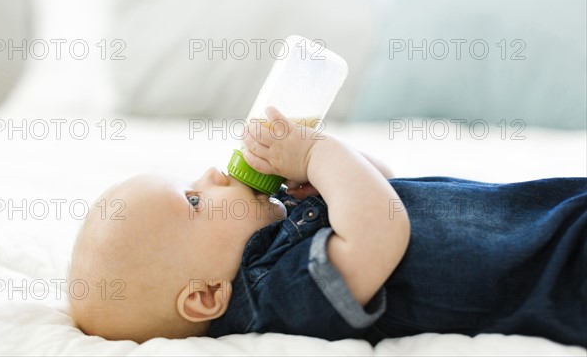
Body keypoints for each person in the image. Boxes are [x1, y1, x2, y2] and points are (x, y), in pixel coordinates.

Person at [68, 107, 586, 347]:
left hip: (544, 218)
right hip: (554, 271)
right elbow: (382, 234)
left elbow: (385, 188)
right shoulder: (274, 294)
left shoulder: (281, 237)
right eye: (195, 201)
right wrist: (318, 155)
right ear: (205, 296)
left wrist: (325, 177)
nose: (211, 174)